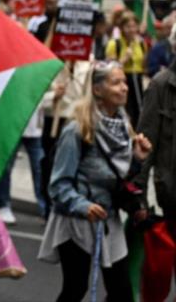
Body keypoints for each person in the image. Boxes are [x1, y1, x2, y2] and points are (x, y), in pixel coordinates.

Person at [38, 61, 152, 302]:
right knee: (75, 289)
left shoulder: (124, 128)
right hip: (77, 222)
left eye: (124, 81)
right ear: (98, 90)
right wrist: (83, 205)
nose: (124, 87)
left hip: (108, 220)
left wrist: (137, 161)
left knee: (122, 292)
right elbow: (58, 185)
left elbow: (118, 178)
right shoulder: (77, 130)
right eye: (116, 82)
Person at [135, 22, 176, 301]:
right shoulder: (161, 86)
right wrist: (139, 197)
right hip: (168, 197)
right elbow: (145, 146)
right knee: (158, 277)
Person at [105, 11, 146, 125]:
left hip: (137, 80)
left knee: (139, 111)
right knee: (124, 112)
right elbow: (109, 68)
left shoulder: (141, 43)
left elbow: (143, 64)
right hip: (122, 80)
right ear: (122, 27)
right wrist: (124, 59)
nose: (132, 30)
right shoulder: (114, 44)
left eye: (134, 26)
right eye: (128, 26)